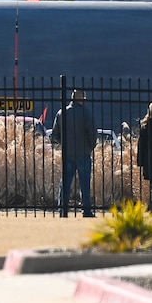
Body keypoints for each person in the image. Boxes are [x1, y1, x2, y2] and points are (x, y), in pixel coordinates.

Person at [53, 89, 97, 218]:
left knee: (65, 182)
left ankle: (63, 209)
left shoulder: (61, 113)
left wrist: (64, 143)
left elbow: (55, 134)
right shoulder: (86, 113)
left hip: (68, 153)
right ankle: (86, 210)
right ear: (81, 99)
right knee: (85, 183)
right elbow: (92, 133)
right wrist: (90, 146)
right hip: (83, 152)